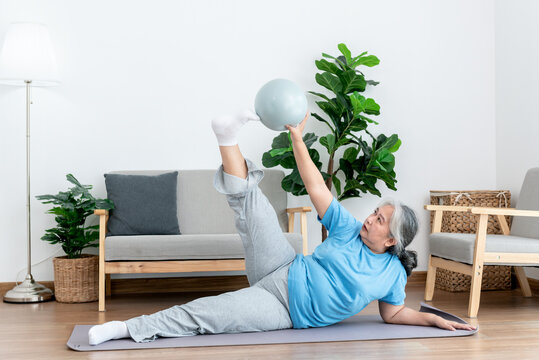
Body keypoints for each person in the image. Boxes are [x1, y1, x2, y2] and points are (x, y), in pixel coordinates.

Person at [88, 109, 475, 345]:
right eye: (375, 211)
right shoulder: (346, 228)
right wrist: (297, 138)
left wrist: (435, 319)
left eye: (379, 220)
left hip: (283, 308)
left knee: (208, 314)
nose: (370, 218)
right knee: (251, 204)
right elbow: (315, 185)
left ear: (391, 239)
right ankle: (226, 134)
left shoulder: (392, 274)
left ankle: (125, 328)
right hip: (283, 265)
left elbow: (393, 315)